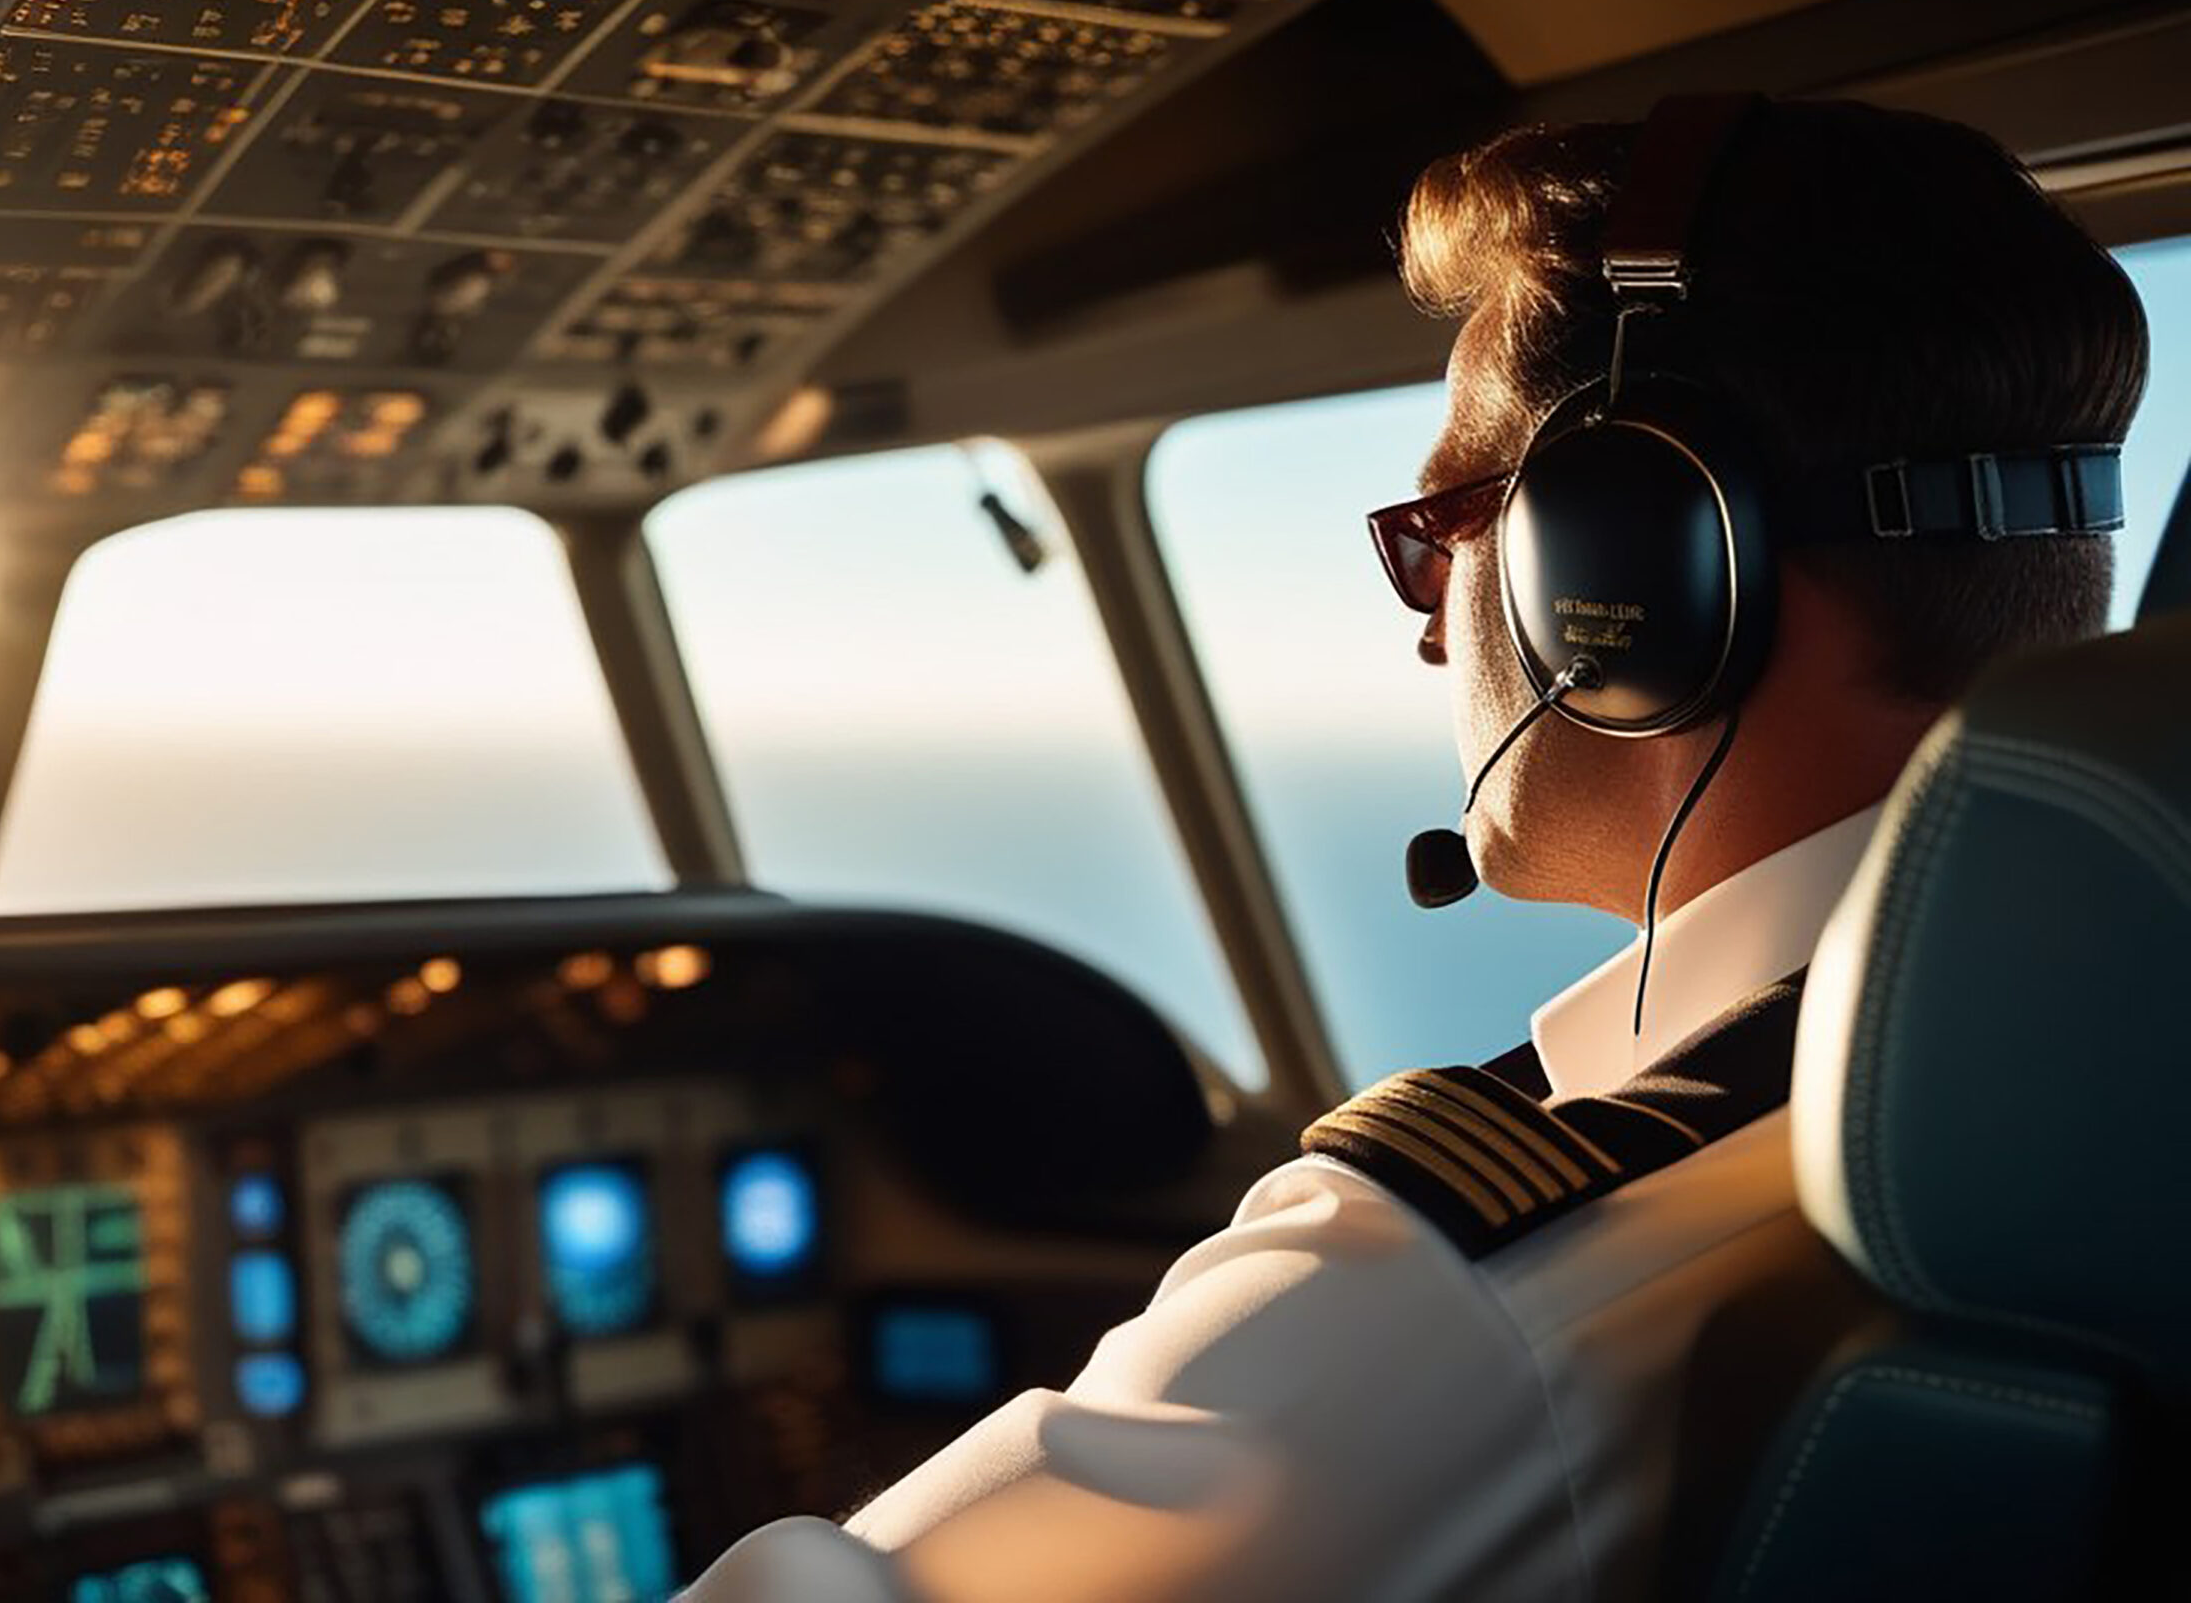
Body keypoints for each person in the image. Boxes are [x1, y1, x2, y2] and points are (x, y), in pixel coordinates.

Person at [677, 96, 2148, 1603]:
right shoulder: (2113, 1082)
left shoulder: (1469, 1295)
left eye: (1447, 524)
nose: (1434, 624)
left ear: (1632, 577)